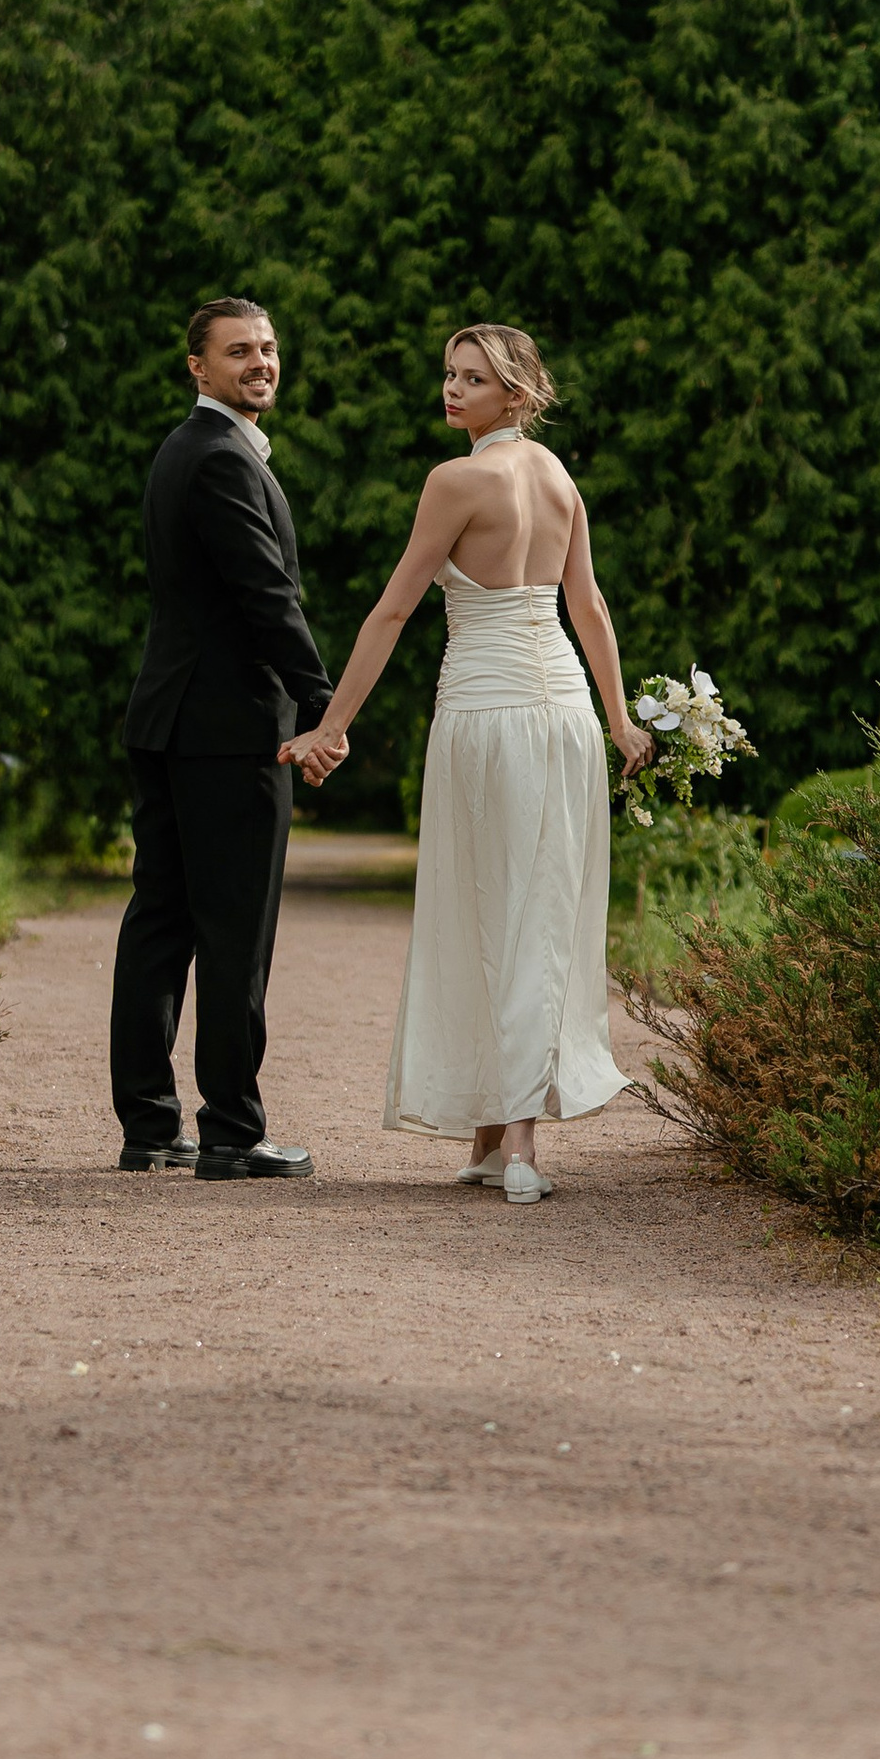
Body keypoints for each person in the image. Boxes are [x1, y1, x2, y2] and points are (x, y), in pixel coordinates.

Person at [284, 324, 648, 1203]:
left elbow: (391, 612)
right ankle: (492, 1134)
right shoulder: (558, 477)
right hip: (563, 714)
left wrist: (331, 727)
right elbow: (588, 608)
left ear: (515, 396)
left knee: (498, 911)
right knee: (536, 908)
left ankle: (519, 1143)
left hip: (489, 715)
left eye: (473, 380)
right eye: (450, 375)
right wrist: (620, 719)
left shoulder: (455, 480)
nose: (452, 390)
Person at [113, 296, 330, 1181]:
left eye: (269, 348)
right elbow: (267, 598)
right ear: (198, 367)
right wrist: (322, 707)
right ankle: (234, 1132)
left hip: (171, 719)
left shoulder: (187, 449)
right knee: (235, 932)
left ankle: (151, 1127)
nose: (261, 362)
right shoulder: (221, 461)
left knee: (160, 924)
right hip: (228, 729)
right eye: (239, 351)